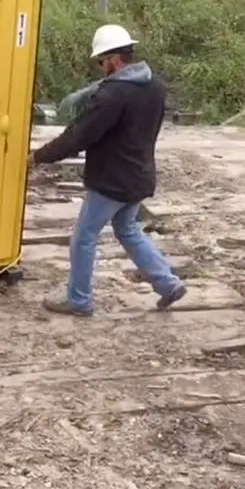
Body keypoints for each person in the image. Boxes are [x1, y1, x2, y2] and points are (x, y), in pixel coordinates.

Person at [29, 24, 186, 316]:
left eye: (101, 62)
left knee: (84, 237)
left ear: (112, 59)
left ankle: (78, 301)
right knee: (127, 230)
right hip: (140, 175)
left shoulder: (113, 95)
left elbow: (79, 136)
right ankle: (168, 284)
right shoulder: (154, 86)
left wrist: (38, 156)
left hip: (112, 181)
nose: (101, 68)